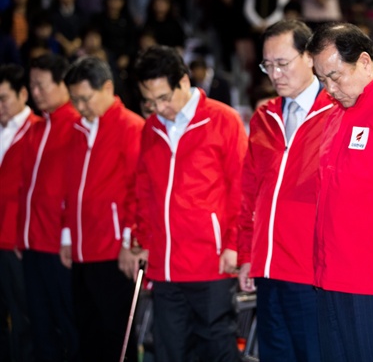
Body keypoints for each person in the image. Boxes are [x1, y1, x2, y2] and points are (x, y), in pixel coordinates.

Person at [120, 45, 247, 362]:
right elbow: (144, 190)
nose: (158, 107)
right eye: (150, 101)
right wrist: (142, 241)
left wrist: (233, 244)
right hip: (164, 266)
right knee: (171, 350)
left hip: (212, 262)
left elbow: (241, 189)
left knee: (217, 348)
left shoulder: (223, 120)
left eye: (164, 97)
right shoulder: (152, 128)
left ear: (183, 82)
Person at [306, 22, 373, 361]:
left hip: (370, 283)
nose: (329, 88)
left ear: (365, 62)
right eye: (321, 79)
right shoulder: (337, 112)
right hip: (328, 276)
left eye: (335, 76)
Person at [237, 19, 334, 362]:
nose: (275, 74)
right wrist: (247, 255)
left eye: (282, 63)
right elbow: (249, 193)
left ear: (309, 57)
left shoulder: (336, 112)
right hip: (267, 270)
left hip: (311, 272)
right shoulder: (264, 116)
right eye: (268, 65)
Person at [60, 57, 144, 362]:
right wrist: (68, 235)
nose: (80, 106)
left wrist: (129, 243)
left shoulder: (131, 127)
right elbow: (71, 187)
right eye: (75, 100)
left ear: (107, 87)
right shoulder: (78, 129)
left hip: (113, 252)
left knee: (117, 339)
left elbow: (139, 190)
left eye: (85, 98)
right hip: (82, 250)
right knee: (87, 332)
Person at [17, 53, 80, 362]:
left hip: (59, 246)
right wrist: (21, 235)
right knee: (40, 326)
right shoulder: (36, 129)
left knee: (69, 325)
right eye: (32, 86)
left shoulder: (77, 126)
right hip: (32, 245)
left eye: (41, 86)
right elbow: (25, 189)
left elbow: (75, 188)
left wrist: (68, 235)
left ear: (62, 85)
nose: (35, 93)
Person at [0, 64, 38, 362]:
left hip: (17, 239)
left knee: (23, 315)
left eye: (3, 98)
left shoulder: (38, 130)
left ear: (23, 94)